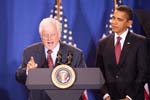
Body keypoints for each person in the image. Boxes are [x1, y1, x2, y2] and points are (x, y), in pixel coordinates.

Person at [15, 17, 87, 100]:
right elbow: (18, 76)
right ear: (41, 36)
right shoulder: (30, 52)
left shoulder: (75, 54)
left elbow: (83, 80)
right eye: (45, 35)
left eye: (52, 34)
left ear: (59, 35)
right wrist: (28, 71)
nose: (49, 38)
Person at [96, 5, 149, 100]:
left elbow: (143, 73)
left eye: (119, 20)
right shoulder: (103, 43)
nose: (113, 22)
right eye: (113, 18)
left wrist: (129, 97)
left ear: (129, 23)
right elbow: (98, 72)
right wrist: (106, 95)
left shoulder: (140, 42)